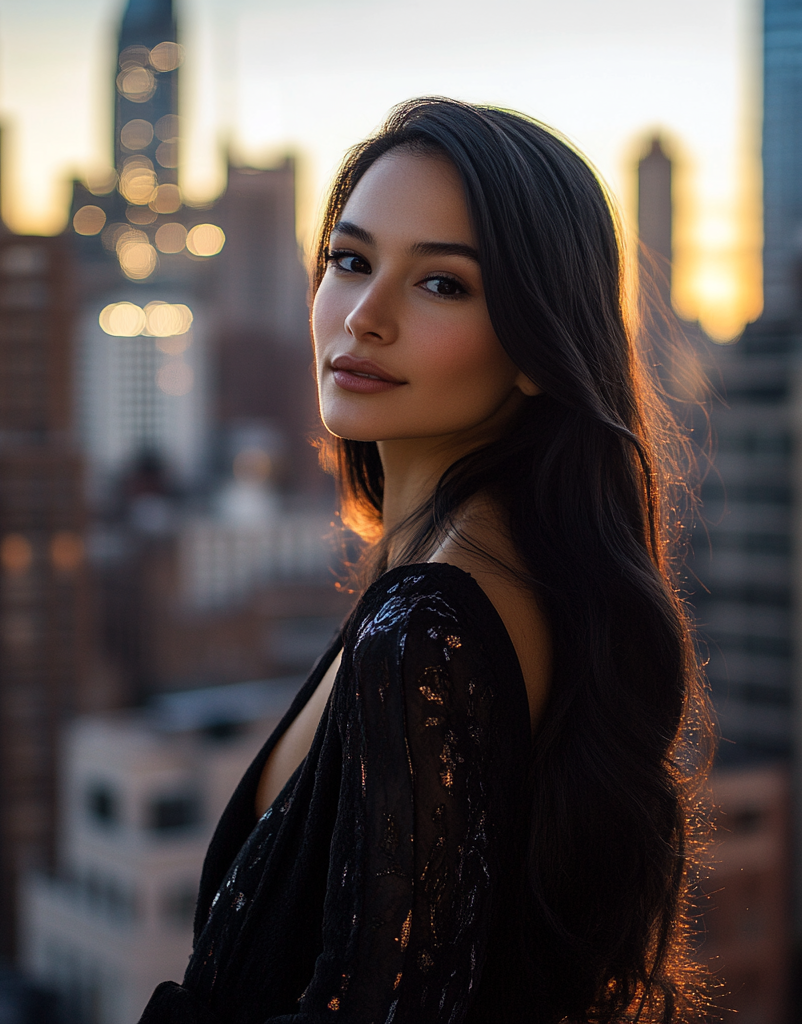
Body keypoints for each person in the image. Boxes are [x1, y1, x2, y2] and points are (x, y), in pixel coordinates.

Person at [139, 97, 711, 1024]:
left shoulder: (429, 633)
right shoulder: (499, 575)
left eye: (441, 284)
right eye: (352, 261)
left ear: (536, 349)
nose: (364, 316)